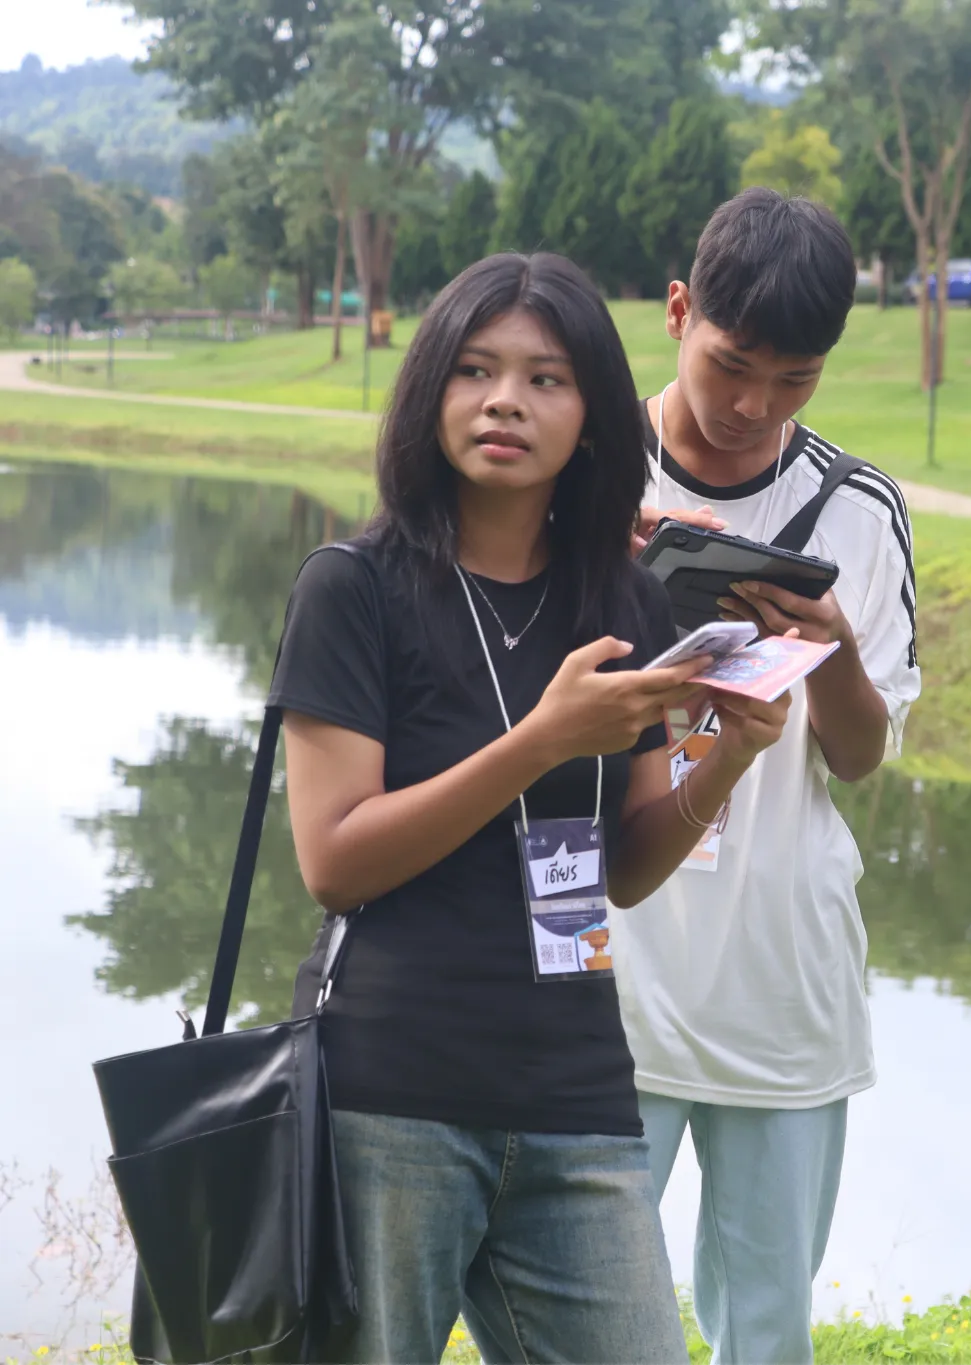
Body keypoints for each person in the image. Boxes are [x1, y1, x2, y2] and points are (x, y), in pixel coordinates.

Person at [272, 251, 791, 1362]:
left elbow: (620, 869)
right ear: (429, 395)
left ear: (594, 417)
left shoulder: (623, 600)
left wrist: (724, 766)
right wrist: (538, 743)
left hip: (576, 1086)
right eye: (473, 370)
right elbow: (334, 861)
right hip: (389, 1089)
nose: (504, 399)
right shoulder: (351, 589)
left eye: (546, 379)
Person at [617, 187, 921, 1363]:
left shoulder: (857, 509)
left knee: (766, 1331)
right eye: (731, 363)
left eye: (794, 379)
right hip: (598, 978)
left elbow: (857, 755)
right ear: (678, 312)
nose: (752, 406)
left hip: (779, 976)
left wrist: (831, 640)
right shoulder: (585, 476)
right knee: (571, 1325)